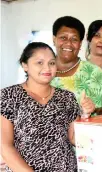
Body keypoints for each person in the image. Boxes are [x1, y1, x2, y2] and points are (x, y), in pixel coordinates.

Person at [1, 42, 94, 171]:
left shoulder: (67, 97)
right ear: (25, 65)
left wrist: (85, 114)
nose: (47, 68)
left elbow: (74, 139)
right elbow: (5, 146)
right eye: (39, 63)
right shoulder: (8, 96)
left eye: (51, 63)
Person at [51, 16, 102, 116]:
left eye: (74, 39)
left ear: (80, 44)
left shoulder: (96, 74)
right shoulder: (41, 73)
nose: (68, 43)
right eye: (63, 38)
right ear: (54, 39)